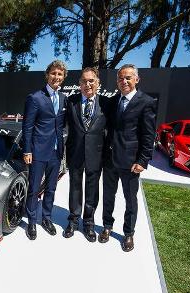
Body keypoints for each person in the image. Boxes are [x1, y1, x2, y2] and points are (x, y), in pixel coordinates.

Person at [99, 64, 156, 252]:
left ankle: (128, 233)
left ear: (137, 80)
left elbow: (148, 135)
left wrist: (142, 161)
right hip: (110, 160)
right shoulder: (113, 101)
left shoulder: (146, 102)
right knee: (108, 196)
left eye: (128, 78)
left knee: (130, 200)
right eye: (121, 78)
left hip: (131, 163)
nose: (124, 81)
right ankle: (107, 226)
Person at [22, 60, 68, 240]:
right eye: (54, 73)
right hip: (38, 151)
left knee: (51, 188)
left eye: (60, 74)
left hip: (57, 153)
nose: (56, 77)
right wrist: (27, 151)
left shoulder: (63, 98)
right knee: (34, 188)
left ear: (63, 78)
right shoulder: (35, 98)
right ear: (47, 75)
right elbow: (27, 127)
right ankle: (32, 221)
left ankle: (46, 218)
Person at [62, 67, 107, 242]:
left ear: (98, 83)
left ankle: (89, 222)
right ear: (79, 83)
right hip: (75, 153)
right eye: (84, 81)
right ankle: (73, 221)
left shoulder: (106, 103)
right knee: (74, 187)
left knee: (92, 189)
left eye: (91, 81)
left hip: (96, 154)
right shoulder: (70, 101)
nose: (88, 84)